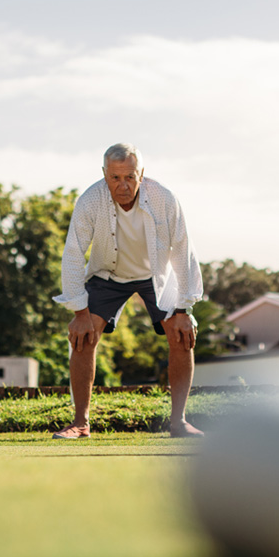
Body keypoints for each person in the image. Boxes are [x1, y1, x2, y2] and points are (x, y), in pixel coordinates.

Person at [53, 143, 204, 439]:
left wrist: (185, 309)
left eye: (130, 177)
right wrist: (79, 311)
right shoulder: (90, 200)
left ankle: (179, 422)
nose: (123, 186)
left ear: (142, 174)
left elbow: (183, 249)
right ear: (104, 174)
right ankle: (81, 423)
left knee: (181, 334)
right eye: (114, 178)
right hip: (108, 275)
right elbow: (73, 253)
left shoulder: (164, 198)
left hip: (155, 276)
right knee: (83, 335)